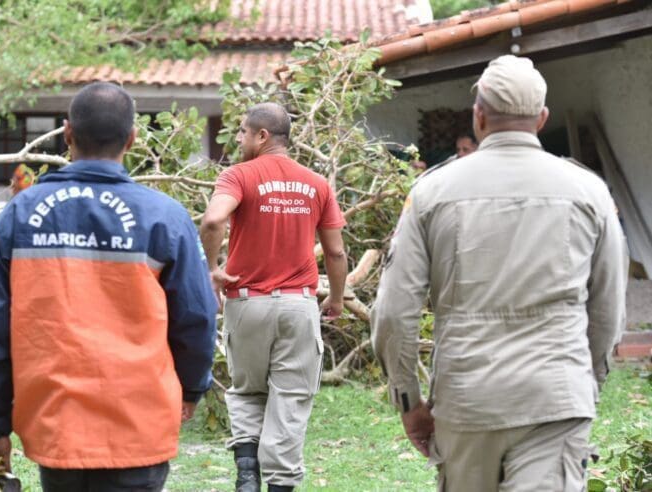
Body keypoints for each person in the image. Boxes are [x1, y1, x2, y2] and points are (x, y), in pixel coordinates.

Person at [371, 55, 627, 492]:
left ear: (479, 115)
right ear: (543, 118)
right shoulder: (590, 193)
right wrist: (586, 381)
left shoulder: (432, 191)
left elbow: (394, 313)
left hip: (468, 400)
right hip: (556, 397)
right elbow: (609, 310)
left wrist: (409, 400)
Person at [0, 82, 217, 492]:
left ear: (68, 134)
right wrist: (191, 387)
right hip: (139, 424)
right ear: (132, 139)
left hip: (57, 425)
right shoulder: (165, 217)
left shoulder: (21, 213)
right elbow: (197, 318)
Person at [200, 102, 348, 492]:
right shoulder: (317, 182)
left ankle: (247, 475)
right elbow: (335, 252)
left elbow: (214, 219)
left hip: (247, 304)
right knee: (291, 398)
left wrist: (212, 269)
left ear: (262, 136)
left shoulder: (237, 176)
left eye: (243, 131)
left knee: (248, 391)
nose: (238, 138)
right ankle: (280, 485)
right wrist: (335, 298)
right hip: (299, 305)